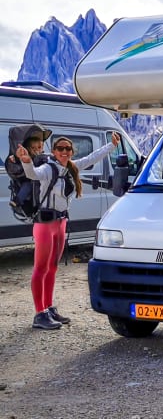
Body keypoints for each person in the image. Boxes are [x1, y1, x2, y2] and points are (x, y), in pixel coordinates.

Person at [15, 132, 121, 330]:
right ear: (54, 152)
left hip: (60, 223)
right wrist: (26, 161)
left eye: (67, 149)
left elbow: (91, 158)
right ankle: (40, 314)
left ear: (72, 152)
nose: (64, 152)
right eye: (60, 149)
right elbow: (33, 175)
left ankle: (48, 307)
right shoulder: (47, 168)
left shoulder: (71, 167)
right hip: (45, 224)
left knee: (53, 267)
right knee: (41, 268)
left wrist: (111, 146)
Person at [8, 135, 46, 207]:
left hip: (41, 182)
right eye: (33, 148)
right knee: (27, 185)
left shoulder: (44, 157)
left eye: (39, 147)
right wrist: (14, 159)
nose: (36, 150)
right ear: (28, 148)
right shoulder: (26, 156)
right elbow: (18, 166)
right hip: (28, 180)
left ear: (42, 147)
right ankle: (17, 200)